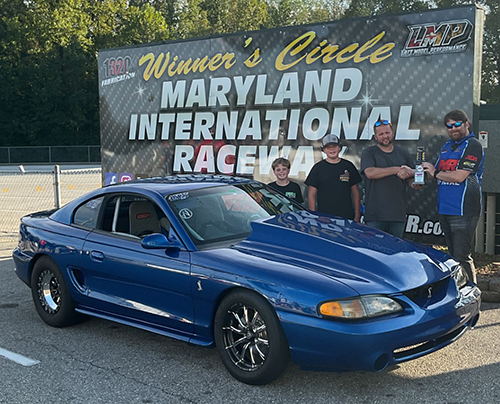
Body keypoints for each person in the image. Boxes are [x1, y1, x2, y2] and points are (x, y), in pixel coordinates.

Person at [422, 110, 484, 283]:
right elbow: (433, 173)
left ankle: (472, 291)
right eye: (449, 126)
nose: (453, 128)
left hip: (464, 209)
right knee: (453, 256)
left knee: (461, 255)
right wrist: (413, 172)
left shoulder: (473, 145)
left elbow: (459, 176)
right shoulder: (446, 147)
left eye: (457, 124)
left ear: (466, 124)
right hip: (445, 208)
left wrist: (435, 173)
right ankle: (458, 291)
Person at [360, 119, 419, 238]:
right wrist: (396, 170)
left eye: (387, 133)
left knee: (396, 249)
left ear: (393, 133)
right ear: (375, 136)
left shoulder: (403, 153)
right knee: (374, 248)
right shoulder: (369, 153)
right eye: (381, 134)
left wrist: (416, 184)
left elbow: (410, 178)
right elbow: (370, 173)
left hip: (397, 215)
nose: (385, 136)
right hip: (375, 216)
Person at [305, 134, 361, 221]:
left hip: (346, 216)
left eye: (334, 146)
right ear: (323, 150)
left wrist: (357, 215)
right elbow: (311, 194)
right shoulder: (318, 168)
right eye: (328, 147)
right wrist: (313, 216)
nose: (331, 149)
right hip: (324, 217)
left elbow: (355, 192)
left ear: (339, 148)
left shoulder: (348, 166)